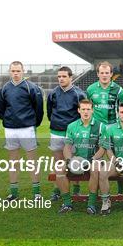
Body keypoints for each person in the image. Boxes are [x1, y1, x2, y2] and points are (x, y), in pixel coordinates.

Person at [0, 61, 44, 201]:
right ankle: (14, 193)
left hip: (27, 129)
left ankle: (36, 193)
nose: (15, 73)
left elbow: (38, 108)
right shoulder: (5, 88)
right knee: (13, 162)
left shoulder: (31, 87)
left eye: (18, 71)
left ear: (23, 71)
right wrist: (7, 120)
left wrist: (33, 124)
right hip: (10, 129)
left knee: (31, 162)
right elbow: (0, 107)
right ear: (9, 71)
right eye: (13, 71)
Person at [58, 99, 106, 214]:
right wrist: (69, 160)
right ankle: (67, 203)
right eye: (83, 109)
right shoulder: (72, 126)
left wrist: (92, 159)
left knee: (94, 168)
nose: (86, 112)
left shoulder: (100, 126)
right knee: (59, 168)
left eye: (88, 109)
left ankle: (91, 204)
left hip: (95, 159)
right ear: (78, 110)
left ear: (92, 110)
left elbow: (102, 148)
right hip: (77, 159)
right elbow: (67, 146)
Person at [46, 66, 86, 201]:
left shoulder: (79, 94)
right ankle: (57, 190)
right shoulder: (53, 93)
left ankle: (76, 189)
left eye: (64, 76)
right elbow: (49, 112)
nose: (61, 79)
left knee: (74, 162)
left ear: (71, 77)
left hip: (73, 134)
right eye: (59, 76)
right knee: (58, 163)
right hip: (56, 132)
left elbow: (82, 114)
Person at [86, 61, 123, 196]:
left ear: (111, 74)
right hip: (97, 128)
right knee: (96, 159)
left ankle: (120, 190)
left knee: (118, 159)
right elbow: (88, 108)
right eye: (101, 73)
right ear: (97, 74)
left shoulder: (118, 90)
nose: (104, 75)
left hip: (113, 127)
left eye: (107, 73)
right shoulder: (91, 89)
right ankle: (95, 191)